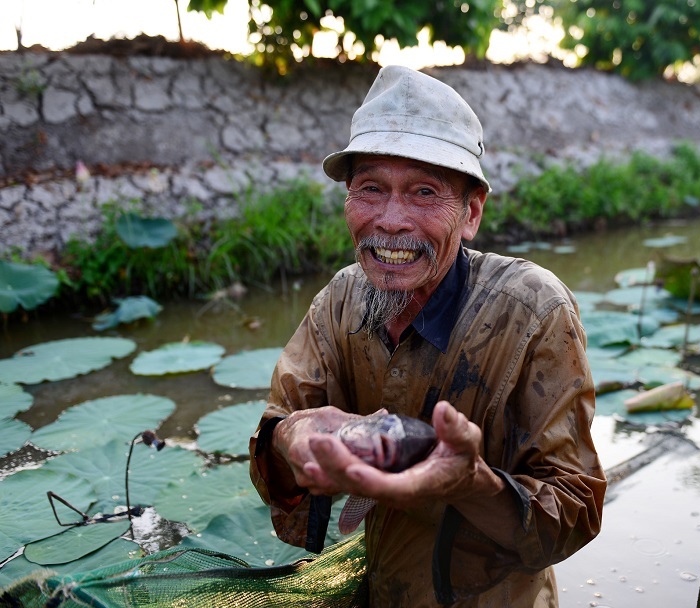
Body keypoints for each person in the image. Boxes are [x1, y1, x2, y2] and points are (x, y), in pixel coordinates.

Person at [249, 65, 606, 607]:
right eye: (370, 188)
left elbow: (574, 513)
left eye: (423, 192)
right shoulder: (339, 300)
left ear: (471, 214)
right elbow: (277, 445)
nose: (391, 220)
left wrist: (471, 484)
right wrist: (293, 437)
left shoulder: (535, 310)